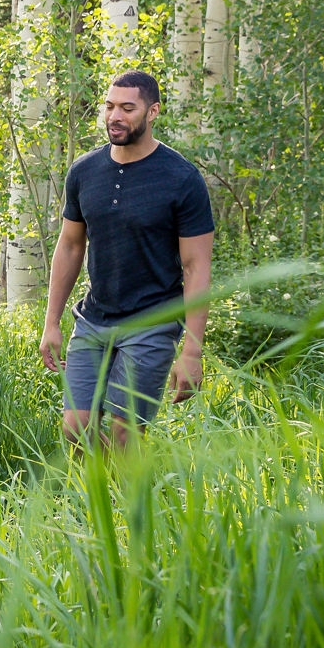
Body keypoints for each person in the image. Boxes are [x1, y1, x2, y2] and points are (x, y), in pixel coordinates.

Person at [39, 70, 214, 449]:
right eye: (109, 106)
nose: (114, 116)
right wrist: (51, 323)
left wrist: (192, 349)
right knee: (75, 428)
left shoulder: (181, 178)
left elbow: (196, 266)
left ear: (152, 112)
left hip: (153, 320)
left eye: (127, 108)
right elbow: (70, 246)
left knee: (125, 433)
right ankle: (96, 504)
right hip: (94, 319)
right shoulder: (84, 171)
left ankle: (132, 506)